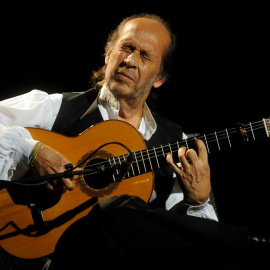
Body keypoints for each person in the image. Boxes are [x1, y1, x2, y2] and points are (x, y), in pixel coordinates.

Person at [0, 13, 269, 269]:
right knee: (112, 210)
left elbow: (195, 245)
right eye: (125, 47)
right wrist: (31, 151)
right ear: (108, 55)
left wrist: (197, 202)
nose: (129, 59)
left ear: (159, 78)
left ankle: (253, 249)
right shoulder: (57, 107)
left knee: (121, 211)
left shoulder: (177, 145)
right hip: (40, 254)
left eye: (144, 55)